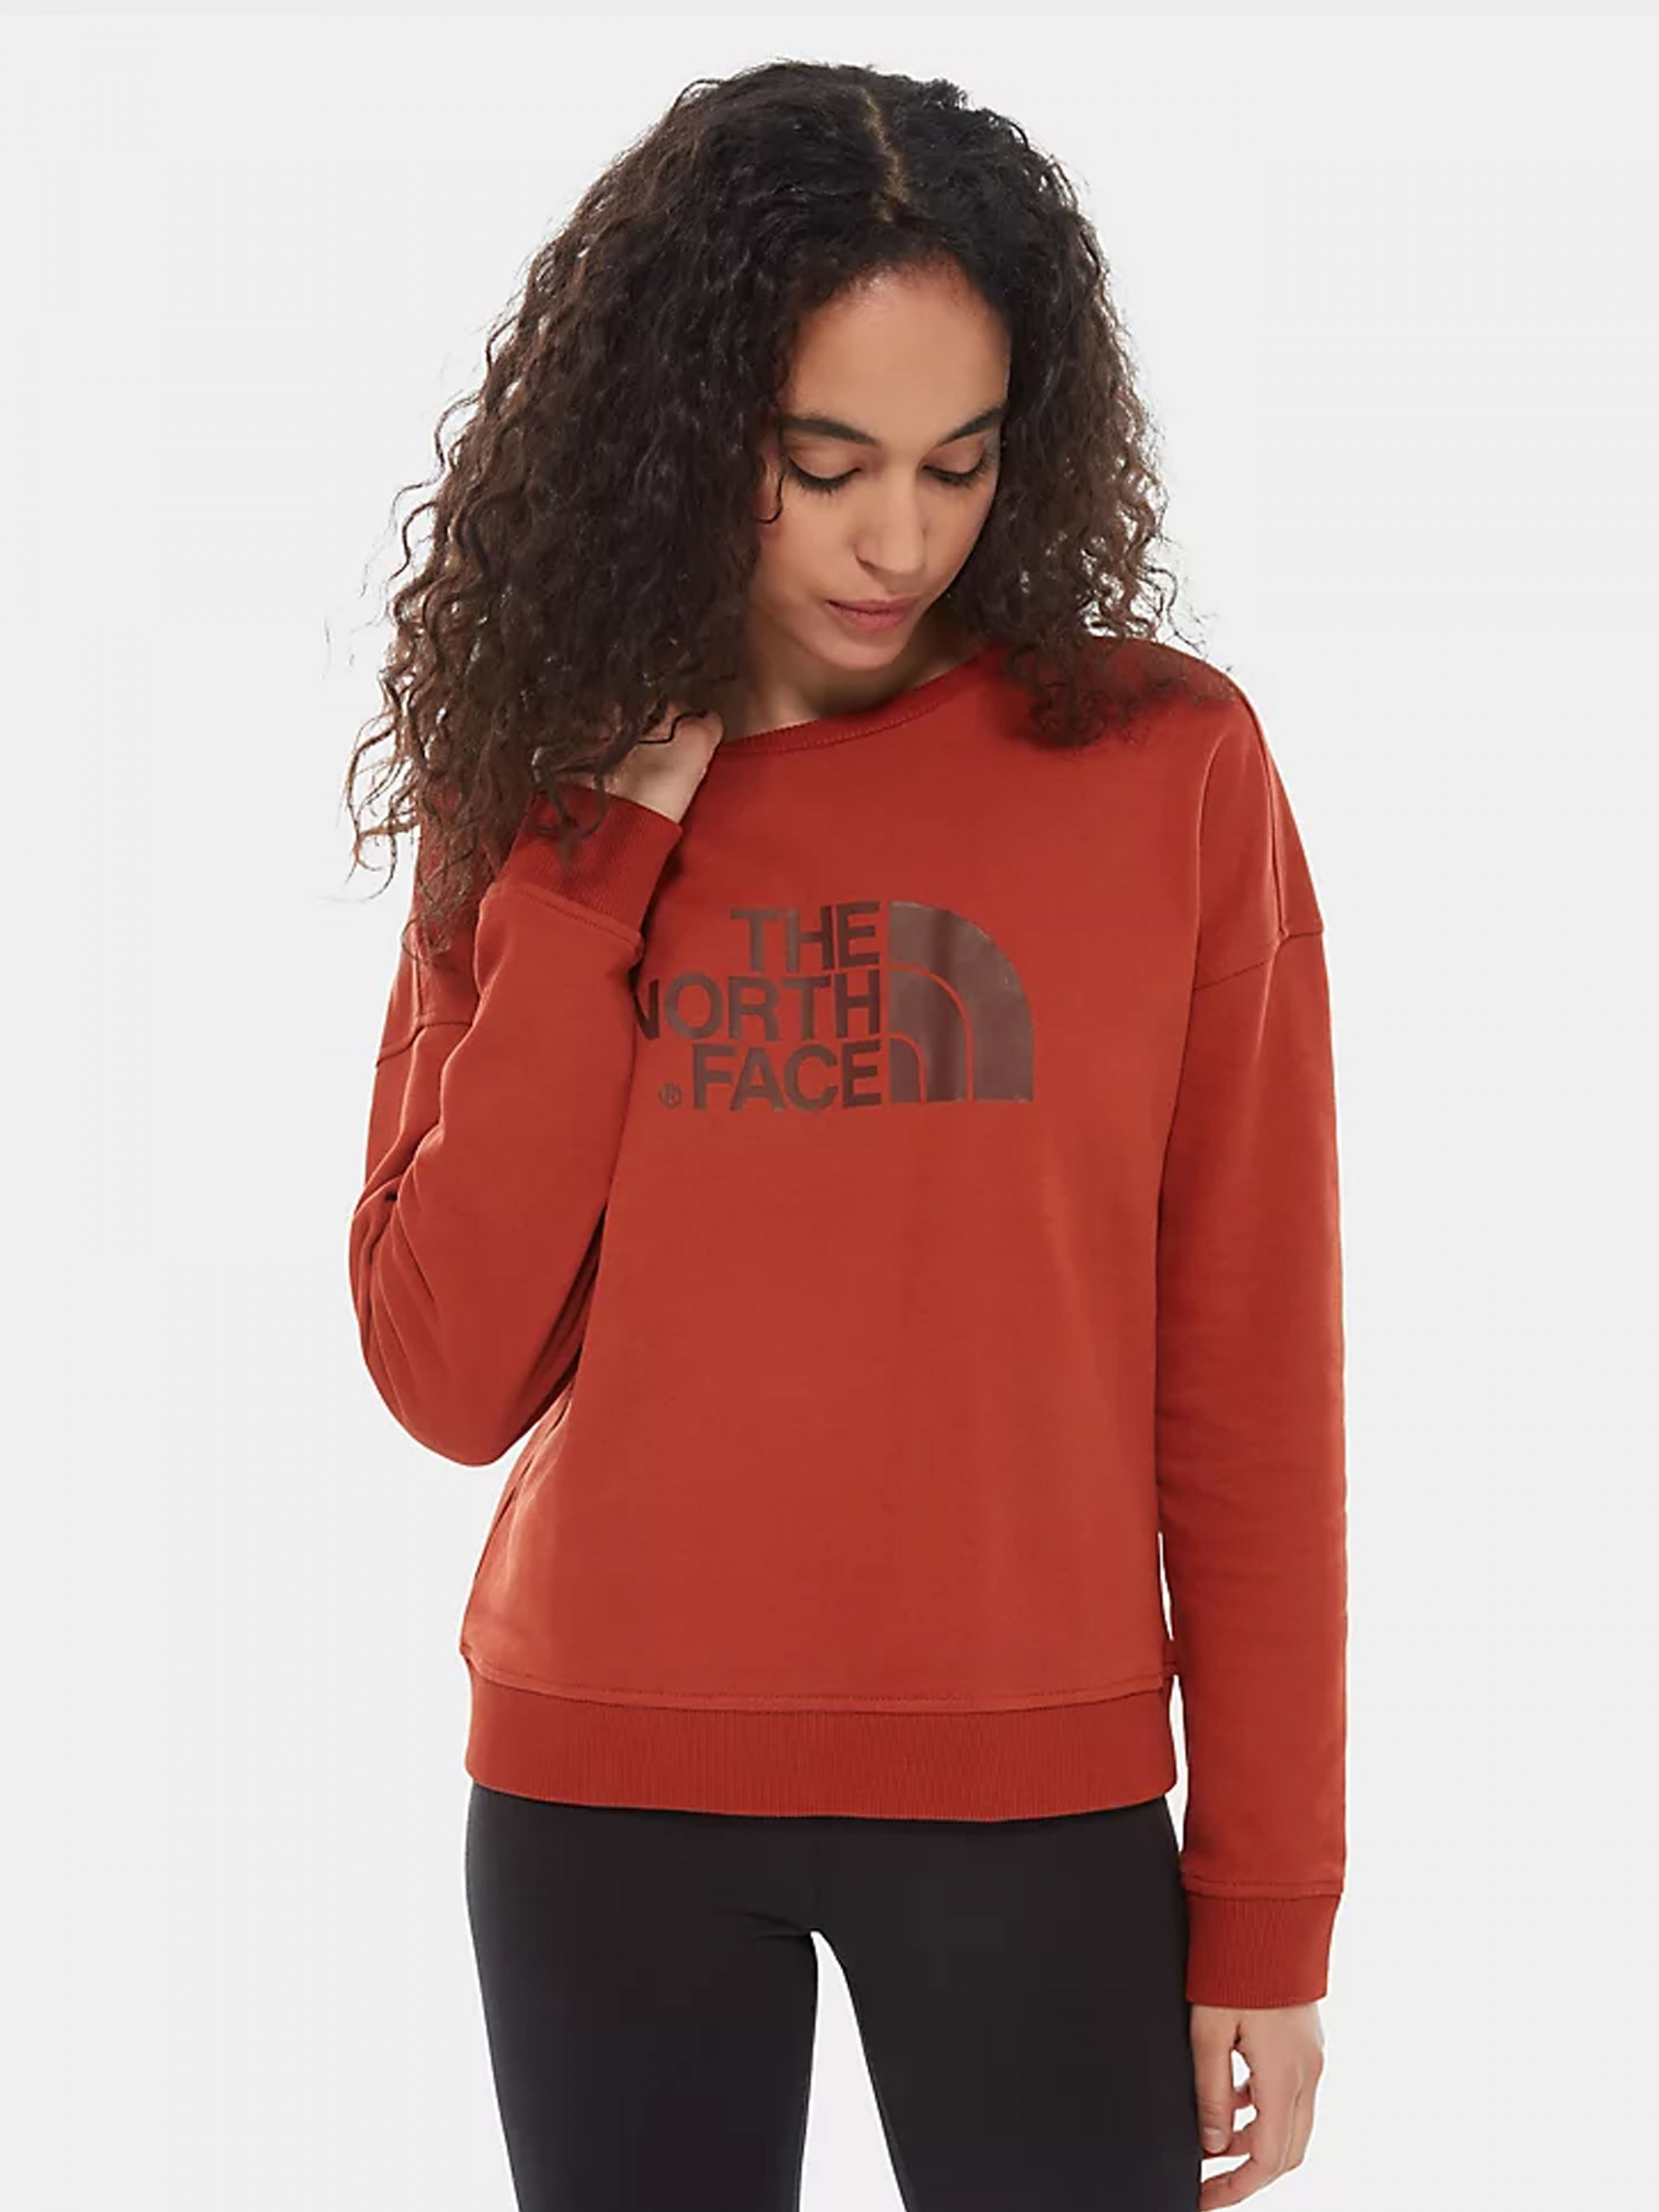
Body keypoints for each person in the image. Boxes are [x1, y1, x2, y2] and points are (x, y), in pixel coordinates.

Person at [343, 57, 1346, 2212]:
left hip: (1032, 1794)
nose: (901, 540)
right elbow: (447, 1370)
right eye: (824, 466)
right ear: (682, 428)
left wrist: (1267, 1905)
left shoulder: (1164, 769)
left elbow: (1250, 1378)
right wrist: (596, 859)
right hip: (601, 1793)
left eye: (958, 464)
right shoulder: (541, 788)